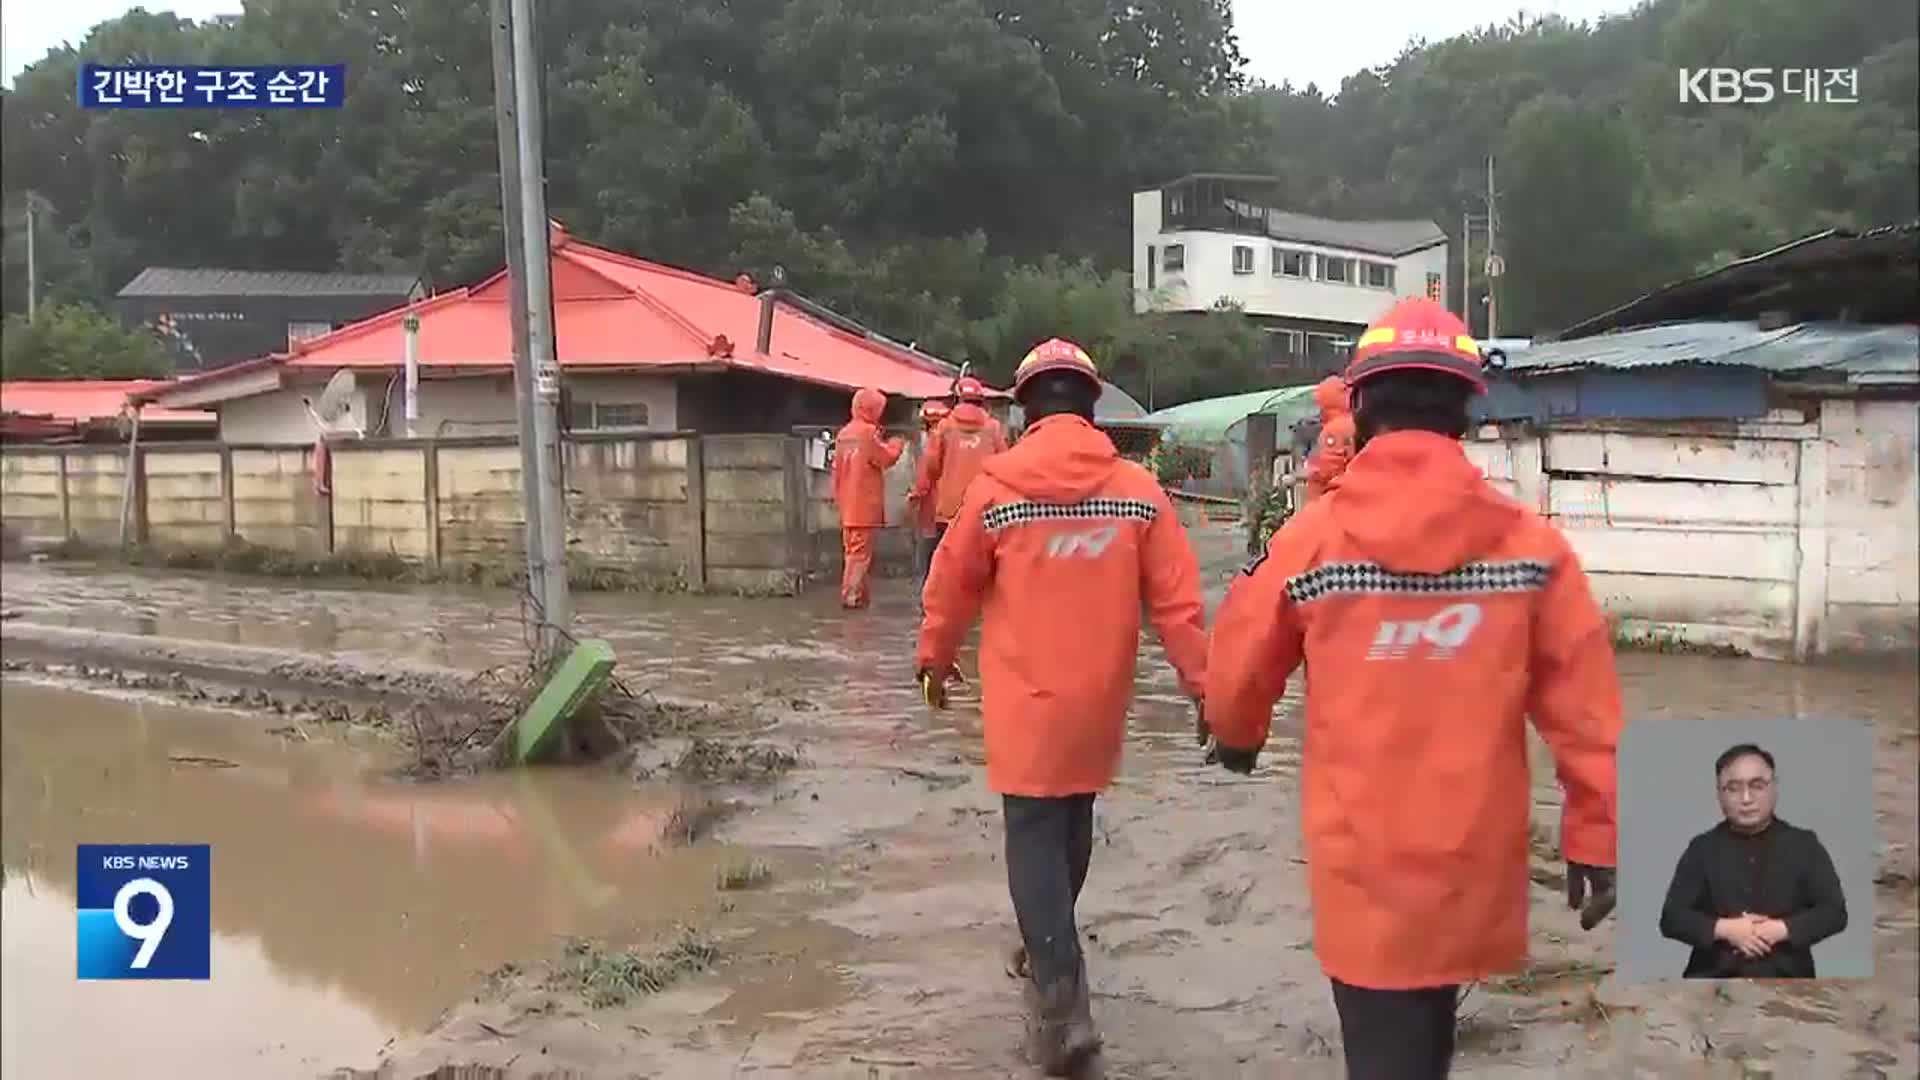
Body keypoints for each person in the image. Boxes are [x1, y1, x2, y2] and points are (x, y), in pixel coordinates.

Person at [1202, 298, 1623, 1080]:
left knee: (1386, 1047)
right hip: (1474, 857)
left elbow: (1239, 656)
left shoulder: (1313, 539)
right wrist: (1600, 834)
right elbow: (1587, 708)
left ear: (1359, 404)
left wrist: (1236, 735)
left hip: (1363, 862)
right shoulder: (1533, 547)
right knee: (1425, 1041)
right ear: (1468, 408)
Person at [916, 337, 1207, 1076]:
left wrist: (933, 657)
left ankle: (1061, 999)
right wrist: (1206, 688)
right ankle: (1047, 941)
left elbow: (952, 586)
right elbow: (1179, 605)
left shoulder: (997, 487)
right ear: (1091, 405)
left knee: (1033, 833)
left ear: (1024, 408)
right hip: (1101, 697)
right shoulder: (1137, 489)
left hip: (1023, 697)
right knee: (1072, 824)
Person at [1658, 743, 1847, 979]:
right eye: (1733, 788)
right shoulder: (1702, 848)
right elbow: (1672, 918)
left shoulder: (1804, 845)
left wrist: (1779, 930)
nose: (1746, 798)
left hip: (1789, 983)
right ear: (1719, 794)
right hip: (1711, 982)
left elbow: (1834, 912)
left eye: (1757, 786)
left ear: (1774, 788)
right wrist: (1727, 930)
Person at [912, 375, 1007, 555]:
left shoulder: (944, 427)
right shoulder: (993, 428)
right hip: (985, 508)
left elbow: (931, 466)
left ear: (956, 399)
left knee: (950, 560)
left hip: (949, 509)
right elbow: (1004, 465)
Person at [830, 387, 906, 609]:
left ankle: (860, 598)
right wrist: (897, 444)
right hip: (864, 505)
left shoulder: (844, 434)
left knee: (852, 553)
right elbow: (885, 458)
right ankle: (851, 597)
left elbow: (837, 471)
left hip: (847, 505)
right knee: (860, 556)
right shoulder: (868, 433)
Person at [908, 399, 953, 604]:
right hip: (956, 507)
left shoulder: (934, 441)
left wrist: (915, 493)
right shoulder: (956, 437)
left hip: (935, 509)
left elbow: (926, 474)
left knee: (932, 554)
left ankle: (931, 596)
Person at [1303, 373, 1356, 502]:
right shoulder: (1356, 422)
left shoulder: (1335, 430)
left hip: (1333, 501)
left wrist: (1311, 469)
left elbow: (1329, 467)